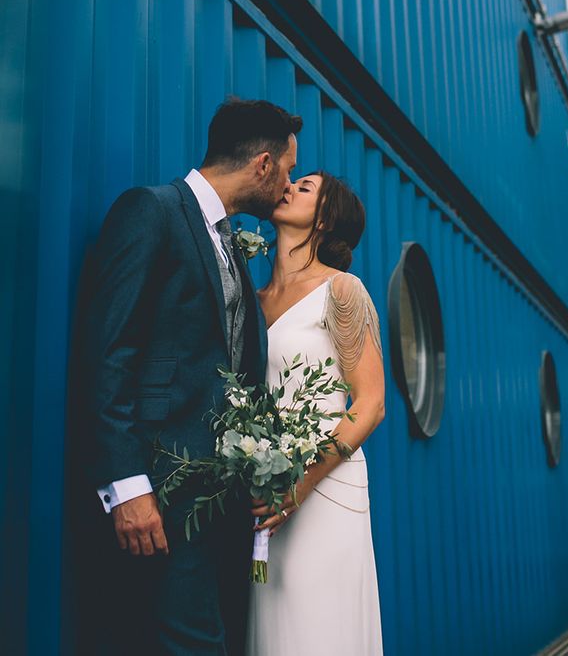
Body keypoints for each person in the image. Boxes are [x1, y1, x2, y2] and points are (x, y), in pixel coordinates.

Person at [75, 98, 301, 654]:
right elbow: (109, 351)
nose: (289, 185)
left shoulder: (230, 242)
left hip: (217, 504)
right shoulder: (151, 210)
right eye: (290, 170)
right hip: (159, 495)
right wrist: (127, 486)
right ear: (264, 165)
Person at [247, 171, 386, 655]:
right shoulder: (253, 301)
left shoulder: (342, 291)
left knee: (317, 632)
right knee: (272, 632)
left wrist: (298, 485)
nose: (286, 186)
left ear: (325, 219)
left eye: (303, 187)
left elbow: (370, 403)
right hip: (263, 496)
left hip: (324, 491)